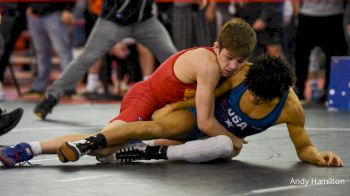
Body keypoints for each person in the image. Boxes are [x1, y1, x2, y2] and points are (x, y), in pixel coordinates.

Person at [0, 56, 343, 168]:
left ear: (277, 98)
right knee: (123, 137)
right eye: (249, 91)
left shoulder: (290, 108)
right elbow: (208, 98)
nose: (250, 98)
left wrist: (319, 157)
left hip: (202, 144)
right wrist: (175, 107)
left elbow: (303, 148)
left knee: (227, 146)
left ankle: (153, 152)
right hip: (195, 119)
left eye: (258, 98)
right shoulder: (242, 73)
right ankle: (29, 149)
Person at [39, 18, 257, 151]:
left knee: (193, 146)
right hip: (146, 98)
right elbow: (205, 123)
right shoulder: (208, 65)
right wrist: (234, 139)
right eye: (229, 57)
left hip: (166, 110)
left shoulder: (234, 66)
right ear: (216, 47)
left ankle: (139, 146)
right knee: (103, 146)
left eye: (239, 61)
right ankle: (30, 149)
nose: (232, 66)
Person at [33, 0, 179, 118]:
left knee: (172, 56)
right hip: (113, 21)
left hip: (144, 21)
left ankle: (191, 93)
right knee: (86, 57)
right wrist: (115, 41)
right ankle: (52, 96)